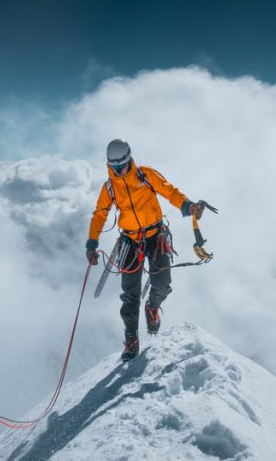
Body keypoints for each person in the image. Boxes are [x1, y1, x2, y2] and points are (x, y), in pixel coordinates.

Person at [86, 139, 207, 361]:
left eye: (122, 166)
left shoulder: (146, 175)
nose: (119, 171)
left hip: (156, 236)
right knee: (130, 295)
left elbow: (169, 192)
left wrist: (189, 206)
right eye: (114, 168)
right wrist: (92, 243)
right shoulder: (110, 187)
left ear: (129, 159)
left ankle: (153, 306)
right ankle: (131, 340)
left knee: (162, 284)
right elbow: (100, 214)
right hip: (130, 242)